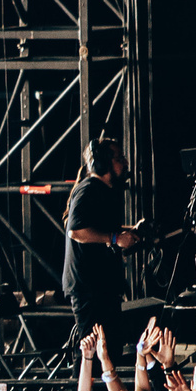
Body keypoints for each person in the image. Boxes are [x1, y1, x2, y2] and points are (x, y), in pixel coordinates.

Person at [59, 141, 137, 347]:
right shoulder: (89, 190)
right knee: (92, 351)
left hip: (102, 287)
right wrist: (115, 238)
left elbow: (100, 228)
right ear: (103, 163)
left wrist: (131, 230)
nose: (125, 163)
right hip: (89, 289)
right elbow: (76, 231)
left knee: (110, 350)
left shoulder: (104, 191)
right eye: (119, 158)